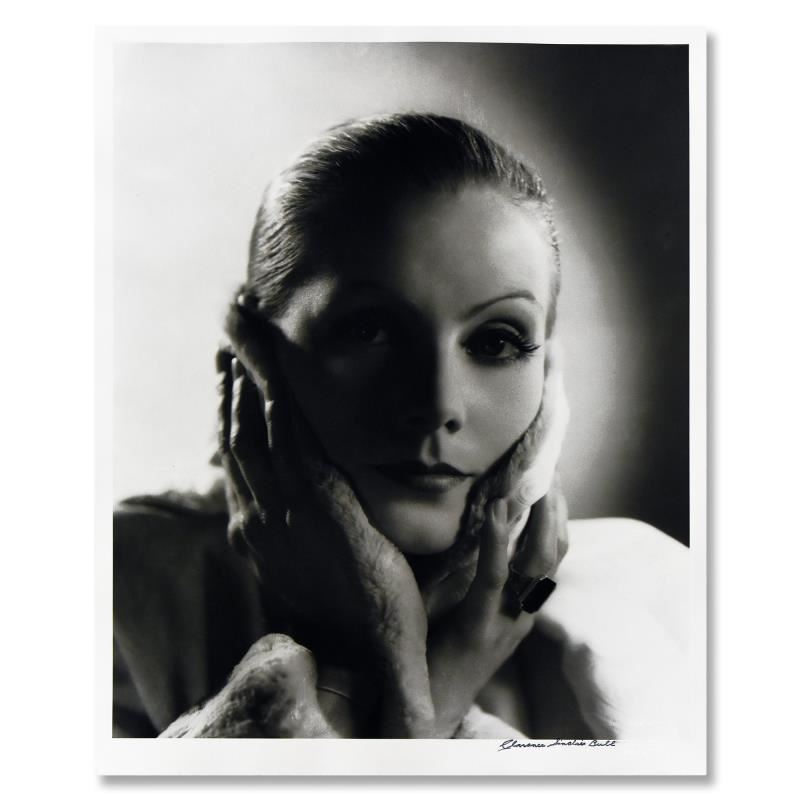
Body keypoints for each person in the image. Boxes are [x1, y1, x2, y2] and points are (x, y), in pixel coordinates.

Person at [113, 112, 691, 739]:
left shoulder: (663, 599)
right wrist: (382, 665)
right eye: (369, 330)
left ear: (547, 377)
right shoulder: (112, 592)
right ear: (254, 360)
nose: (438, 403)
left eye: (496, 341)